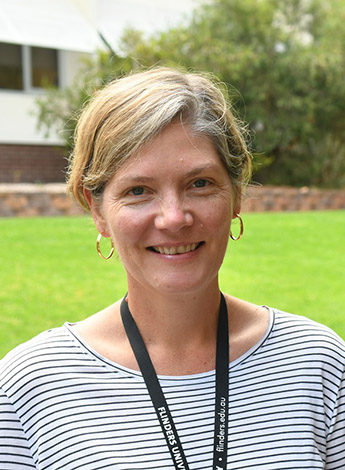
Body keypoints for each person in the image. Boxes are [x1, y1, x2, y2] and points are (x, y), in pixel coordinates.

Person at [0, 67, 344, 470]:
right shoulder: (29, 386)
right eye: (138, 191)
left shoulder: (318, 364)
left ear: (235, 195)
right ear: (97, 212)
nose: (173, 218)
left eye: (199, 183)